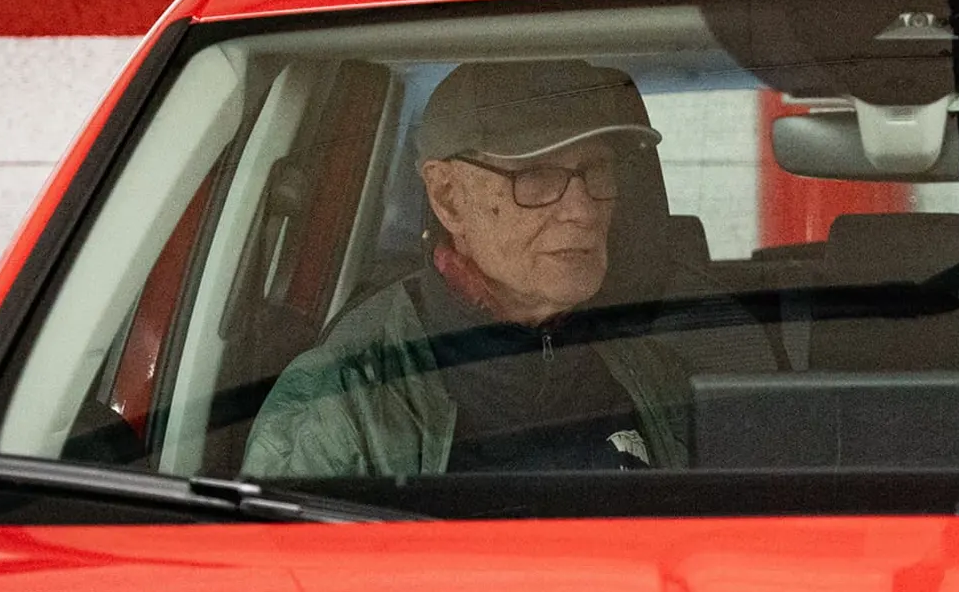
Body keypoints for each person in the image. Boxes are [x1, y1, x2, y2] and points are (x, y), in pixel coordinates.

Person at [245, 60, 690, 479]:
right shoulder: (341, 399)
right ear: (449, 198)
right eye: (535, 176)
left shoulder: (648, 371)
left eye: (598, 170)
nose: (583, 209)